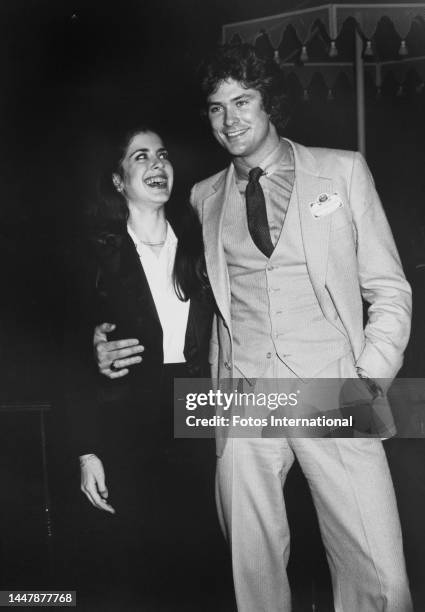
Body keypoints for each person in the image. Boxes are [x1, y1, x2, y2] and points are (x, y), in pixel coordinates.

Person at [93, 45, 413, 611]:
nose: (230, 119)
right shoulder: (203, 196)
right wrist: (97, 338)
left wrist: (371, 373)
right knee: (251, 567)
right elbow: (168, 285)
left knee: (376, 565)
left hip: (336, 387)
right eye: (216, 108)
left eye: (243, 101)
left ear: (271, 105)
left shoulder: (342, 170)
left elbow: (388, 287)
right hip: (242, 395)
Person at [65, 125, 215, 607]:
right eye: (140, 157)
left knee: (201, 558)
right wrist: (88, 450)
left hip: (200, 412)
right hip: (130, 420)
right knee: (138, 563)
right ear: (117, 180)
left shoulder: (200, 246)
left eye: (164, 155)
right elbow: (68, 356)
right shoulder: (94, 256)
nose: (157, 165)